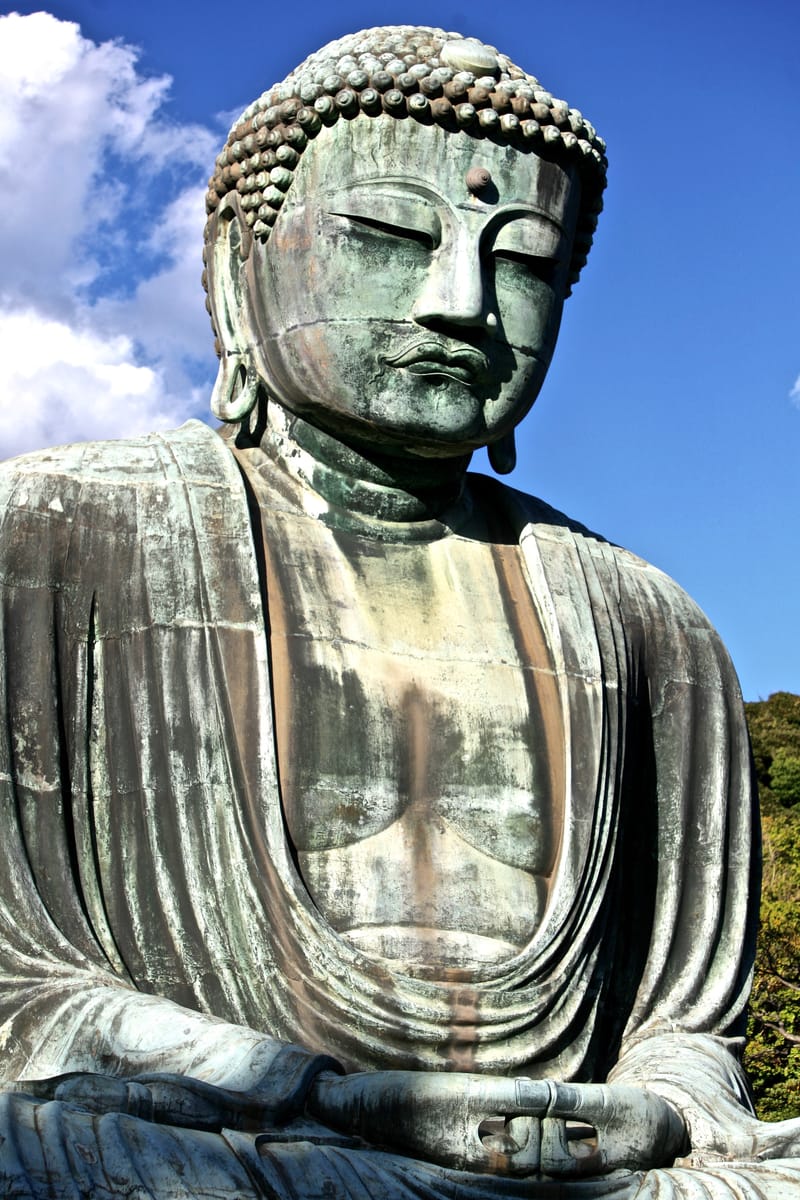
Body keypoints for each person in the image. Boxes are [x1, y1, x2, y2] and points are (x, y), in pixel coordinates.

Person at [1, 24, 799, 1199]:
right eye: (386, 234)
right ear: (235, 263)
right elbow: (19, 988)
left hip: (570, 1168)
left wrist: (656, 1106)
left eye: (523, 263)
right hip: (221, 1138)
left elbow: (683, 1029)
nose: (462, 303)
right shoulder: (54, 536)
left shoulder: (649, 627)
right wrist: (320, 1095)